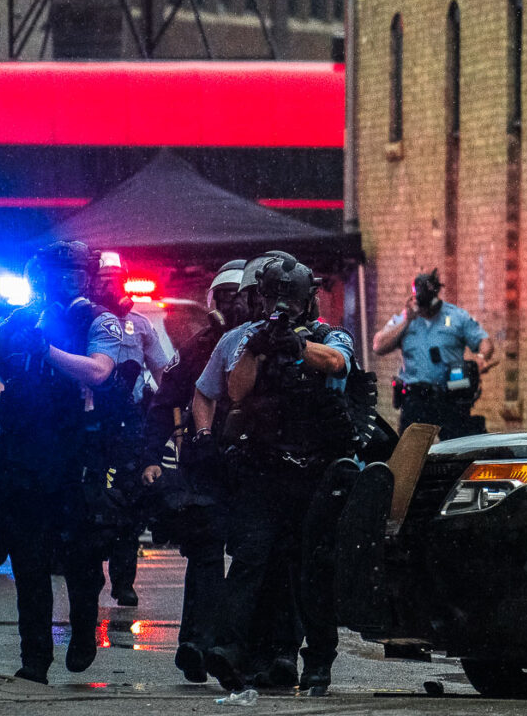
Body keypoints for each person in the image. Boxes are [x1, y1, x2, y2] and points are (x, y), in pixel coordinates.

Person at [194, 255, 356, 696]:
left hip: (316, 474)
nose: (281, 306)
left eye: (290, 299)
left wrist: (297, 347)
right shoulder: (246, 337)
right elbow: (235, 390)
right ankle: (230, 648)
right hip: (264, 471)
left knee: (310, 572)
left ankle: (317, 661)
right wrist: (260, 346)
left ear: (306, 301)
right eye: (274, 298)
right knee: (250, 560)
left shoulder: (328, 334)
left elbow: (339, 363)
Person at [0, 241, 122, 684]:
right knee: (29, 561)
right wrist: (14, 340)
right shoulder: (25, 315)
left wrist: (47, 348)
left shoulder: (98, 318)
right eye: (56, 274)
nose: (64, 281)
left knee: (80, 556)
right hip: (23, 451)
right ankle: (34, 659)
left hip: (74, 451)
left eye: (72, 273)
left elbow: (98, 371)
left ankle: (82, 634)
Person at [140, 259, 247, 683]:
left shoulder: (267, 344)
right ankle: (196, 644)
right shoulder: (197, 348)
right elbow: (164, 403)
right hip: (203, 464)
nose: (232, 306)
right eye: (224, 297)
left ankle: (235, 646)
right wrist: (150, 456)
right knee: (204, 552)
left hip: (254, 466)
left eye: (240, 297)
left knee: (252, 558)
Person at [89, 252, 172, 607]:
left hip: (130, 422)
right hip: (92, 421)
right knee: (90, 501)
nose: (111, 286)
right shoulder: (84, 320)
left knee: (129, 504)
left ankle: (124, 581)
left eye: (115, 279)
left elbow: (164, 370)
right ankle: (89, 575)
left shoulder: (140, 325)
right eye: (103, 279)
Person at [372, 268, 497, 439]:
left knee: (457, 451)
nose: (424, 311)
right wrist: (407, 320)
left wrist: (481, 357)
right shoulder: (405, 319)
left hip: (450, 398)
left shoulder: (456, 317)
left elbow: (485, 342)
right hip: (416, 399)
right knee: (412, 454)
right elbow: (378, 346)